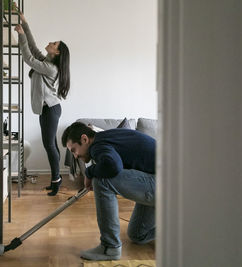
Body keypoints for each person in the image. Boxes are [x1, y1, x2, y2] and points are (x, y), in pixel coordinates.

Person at [61, 122, 156, 260]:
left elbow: (112, 166)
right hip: (164, 183)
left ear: (84, 139)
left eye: (74, 150)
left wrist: (89, 172)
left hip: (167, 184)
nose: (75, 156)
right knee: (138, 235)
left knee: (101, 180)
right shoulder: (105, 138)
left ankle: (110, 248)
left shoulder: (98, 146)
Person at [15, 13, 70, 196]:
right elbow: (32, 47)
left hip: (51, 110)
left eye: (54, 44)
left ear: (57, 52)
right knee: (50, 144)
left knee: (49, 145)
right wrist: (25, 24)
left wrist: (21, 35)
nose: (50, 43)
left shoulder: (50, 68)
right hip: (47, 109)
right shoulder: (46, 61)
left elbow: (29, 59)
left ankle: (56, 179)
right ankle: (56, 178)